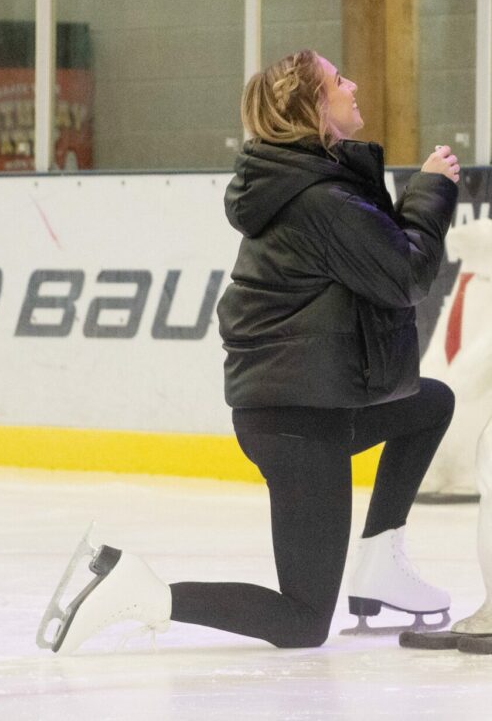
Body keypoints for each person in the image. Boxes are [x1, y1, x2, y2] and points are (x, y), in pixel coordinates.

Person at [40, 49, 462, 652]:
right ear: (313, 108)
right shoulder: (320, 201)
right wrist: (430, 194)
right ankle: (140, 591)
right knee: (302, 621)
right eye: (339, 79)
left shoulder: (314, 187)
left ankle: (380, 559)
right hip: (297, 420)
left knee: (429, 403)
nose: (355, 83)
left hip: (315, 403)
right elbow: (404, 275)